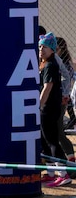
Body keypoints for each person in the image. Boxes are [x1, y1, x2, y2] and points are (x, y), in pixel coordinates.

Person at [39, 33, 73, 185]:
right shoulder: (45, 63)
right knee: (44, 140)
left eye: (45, 47)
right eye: (40, 46)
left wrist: (38, 106)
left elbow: (48, 87)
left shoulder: (51, 65)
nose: (41, 49)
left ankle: (63, 174)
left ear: (52, 49)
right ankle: (51, 172)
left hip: (49, 107)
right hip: (46, 107)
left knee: (52, 140)